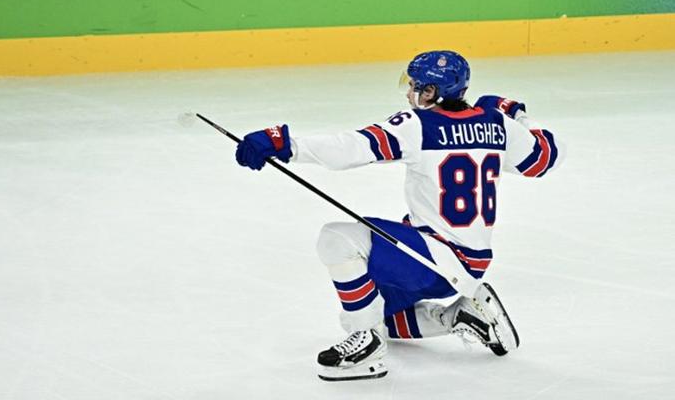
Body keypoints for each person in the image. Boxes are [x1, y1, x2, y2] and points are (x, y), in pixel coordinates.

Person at [234, 50, 564, 381]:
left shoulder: (418, 125)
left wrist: (286, 144)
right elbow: (547, 158)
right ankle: (456, 317)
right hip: (468, 262)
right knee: (380, 315)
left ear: (434, 92)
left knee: (337, 239)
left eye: (417, 86)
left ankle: (367, 350)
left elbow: (352, 148)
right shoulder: (497, 125)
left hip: (434, 261)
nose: (410, 93)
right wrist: (517, 114)